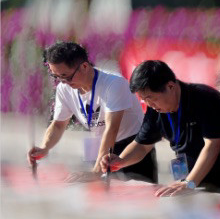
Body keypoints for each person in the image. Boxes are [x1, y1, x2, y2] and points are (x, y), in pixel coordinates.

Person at [101, 60, 220, 196]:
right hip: (193, 185)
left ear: (170, 86)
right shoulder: (155, 110)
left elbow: (213, 145)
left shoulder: (205, 99)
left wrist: (189, 183)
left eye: (151, 98)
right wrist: (120, 160)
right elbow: (142, 146)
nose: (149, 104)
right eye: (144, 100)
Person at [28, 41, 157, 183]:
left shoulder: (114, 83)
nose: (63, 82)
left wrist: (96, 172)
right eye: (56, 76)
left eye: (66, 76)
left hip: (132, 148)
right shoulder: (64, 89)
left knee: (135, 194)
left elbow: (111, 129)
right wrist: (44, 148)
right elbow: (58, 125)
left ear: (84, 66)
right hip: (102, 146)